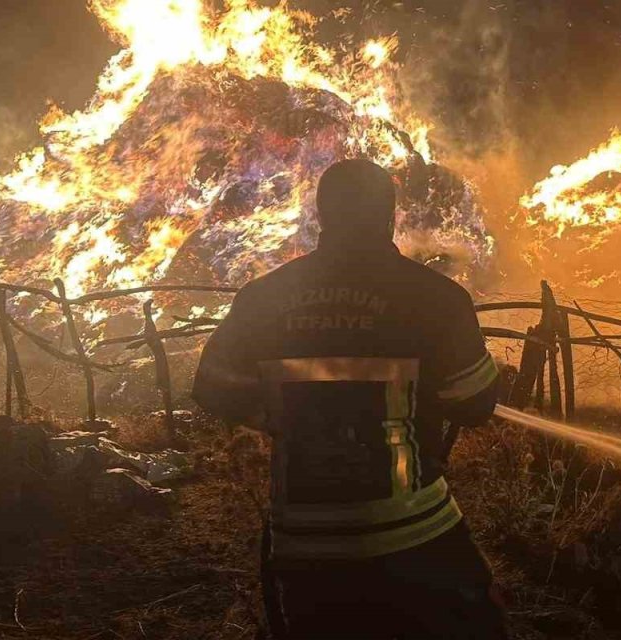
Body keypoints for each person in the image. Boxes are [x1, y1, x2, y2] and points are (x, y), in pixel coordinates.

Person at [192, 159, 504, 639]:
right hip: (413, 532)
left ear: (322, 216)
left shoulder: (263, 298)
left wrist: (282, 418)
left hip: (303, 540)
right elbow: (476, 405)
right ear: (390, 215)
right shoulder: (435, 299)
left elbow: (210, 386)